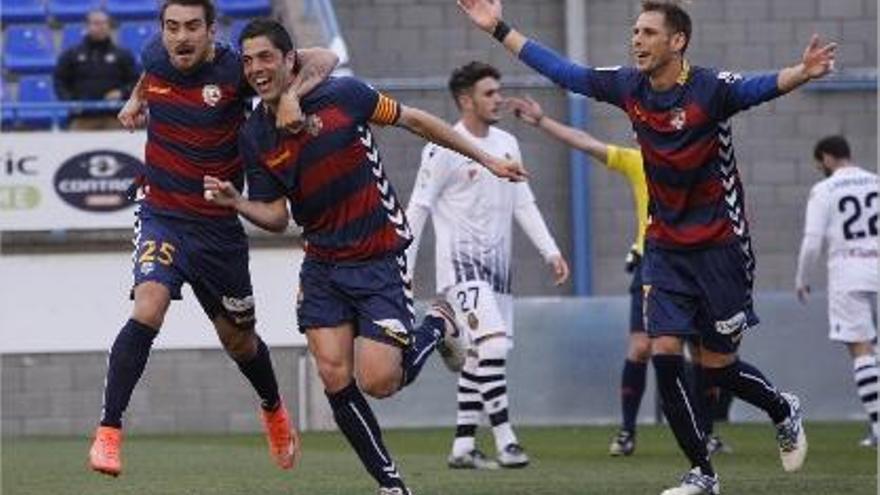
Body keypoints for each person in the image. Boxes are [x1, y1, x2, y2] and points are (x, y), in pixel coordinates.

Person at [458, 0, 836, 492]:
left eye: (649, 32)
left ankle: (782, 407)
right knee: (662, 354)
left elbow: (758, 87)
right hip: (665, 247)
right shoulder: (627, 85)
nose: (637, 40)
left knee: (716, 370)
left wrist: (802, 73)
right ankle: (702, 473)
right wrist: (499, 29)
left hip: (722, 247)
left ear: (677, 42)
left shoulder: (709, 89)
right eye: (635, 31)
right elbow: (565, 72)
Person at [203, 18, 528, 495]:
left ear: (289, 60)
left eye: (266, 57)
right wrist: (237, 202)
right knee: (333, 373)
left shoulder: (344, 95)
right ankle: (390, 484)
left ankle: (437, 323)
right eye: (248, 60)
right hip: (322, 261)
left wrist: (487, 158)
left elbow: (415, 120)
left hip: (378, 252)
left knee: (379, 381)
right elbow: (275, 216)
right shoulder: (255, 135)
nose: (256, 68)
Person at [88, 0, 339, 478]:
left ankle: (273, 409)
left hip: (218, 228)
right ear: (161, 29)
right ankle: (108, 432)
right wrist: (138, 97)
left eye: (191, 27)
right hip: (161, 213)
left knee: (238, 340)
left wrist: (292, 96)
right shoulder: (153, 56)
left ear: (211, 30)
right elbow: (151, 71)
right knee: (148, 305)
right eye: (171, 27)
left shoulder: (235, 69)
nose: (180, 38)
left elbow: (326, 58)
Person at [507, 95, 732, 458]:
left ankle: (706, 432)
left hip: (697, 264)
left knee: (702, 352)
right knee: (642, 347)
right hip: (652, 262)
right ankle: (627, 431)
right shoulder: (636, 162)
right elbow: (588, 143)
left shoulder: (699, 162)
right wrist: (542, 121)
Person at [404, 63, 569, 470]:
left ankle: (463, 445)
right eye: (490, 93)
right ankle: (506, 440)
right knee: (493, 345)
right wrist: (402, 269)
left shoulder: (508, 143)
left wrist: (550, 251)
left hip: (499, 270)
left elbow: (523, 202)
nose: (499, 99)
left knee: (481, 356)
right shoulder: (442, 146)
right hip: (460, 270)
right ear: (466, 100)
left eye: (499, 91)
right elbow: (418, 209)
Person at [795, 135, 879, 447]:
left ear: (827, 158)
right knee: (876, 350)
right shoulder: (875, 182)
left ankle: (877, 426)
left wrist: (802, 277)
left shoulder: (824, 190)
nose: (821, 169)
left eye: (820, 164)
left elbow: (813, 240)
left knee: (860, 349)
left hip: (849, 273)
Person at [53, 9, 139, 130]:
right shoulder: (71, 54)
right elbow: (59, 81)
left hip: (115, 119)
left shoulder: (123, 55)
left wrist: (122, 92)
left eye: (104, 23)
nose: (101, 27)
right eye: (96, 23)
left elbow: (137, 83)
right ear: (87, 26)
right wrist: (71, 101)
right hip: (82, 119)